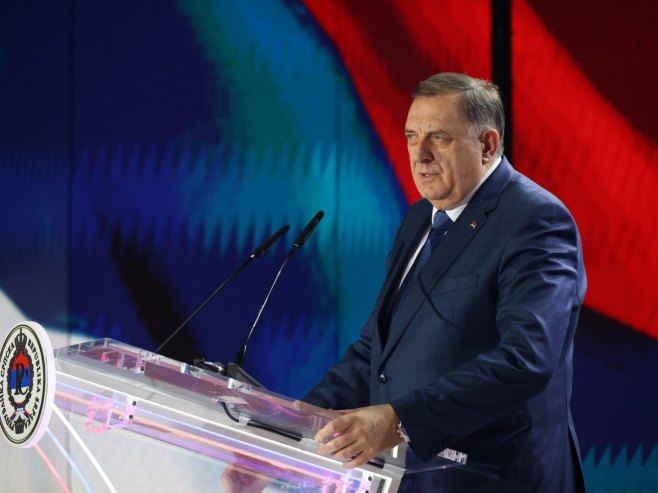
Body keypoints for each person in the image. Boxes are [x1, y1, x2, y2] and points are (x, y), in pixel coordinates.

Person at [303, 72, 587, 492]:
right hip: (412, 477)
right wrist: (295, 424)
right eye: (412, 136)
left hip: (496, 479)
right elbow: (376, 350)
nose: (420, 155)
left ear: (487, 145)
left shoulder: (535, 220)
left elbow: (525, 359)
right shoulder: (420, 217)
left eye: (440, 137)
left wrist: (399, 421)